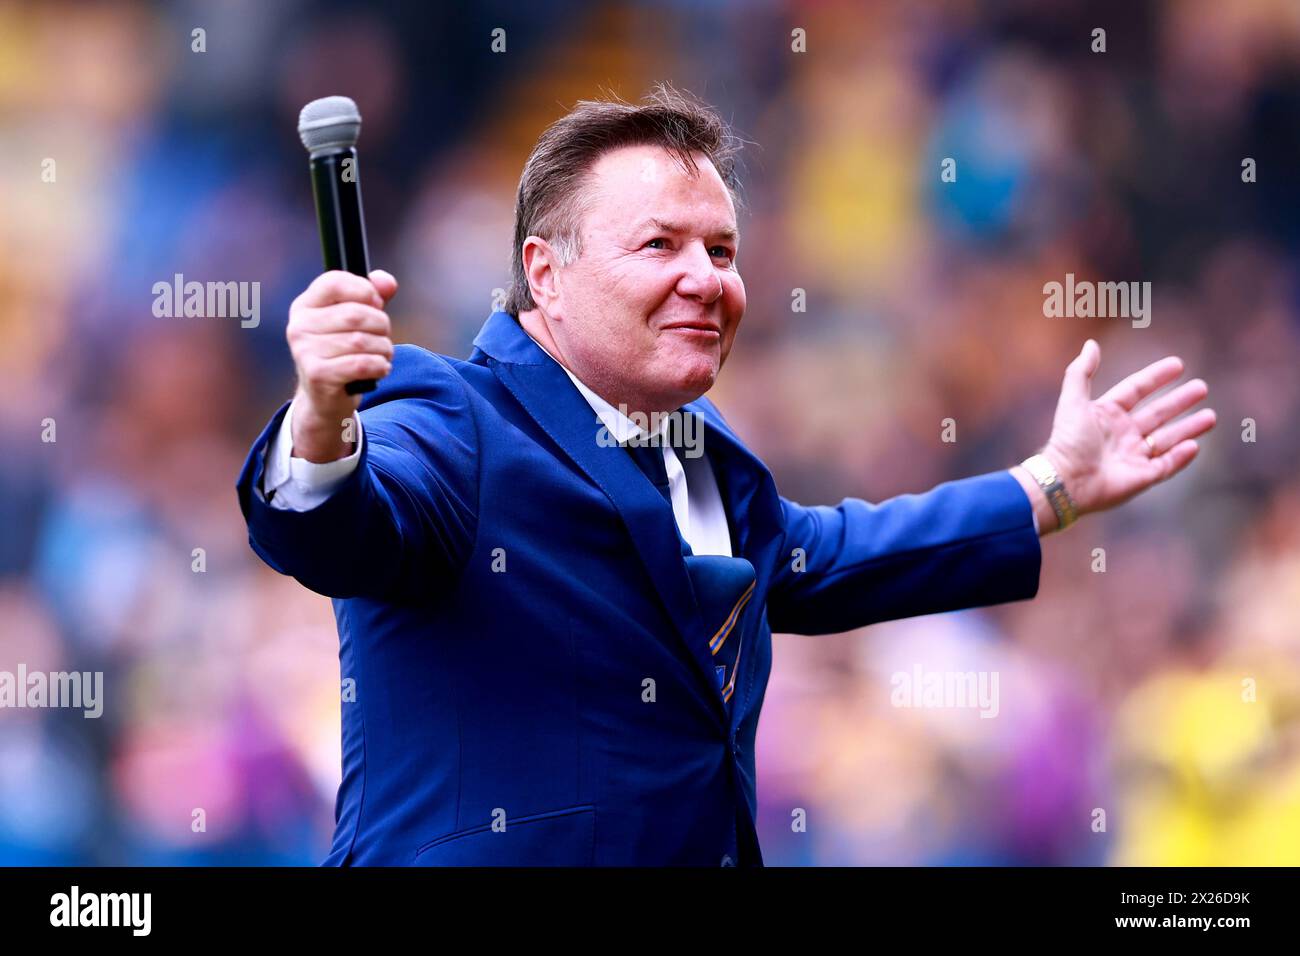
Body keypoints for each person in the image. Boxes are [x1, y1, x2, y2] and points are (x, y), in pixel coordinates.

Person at [236, 84, 1216, 865]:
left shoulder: (702, 448)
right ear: (545, 271)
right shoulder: (455, 417)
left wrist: (1051, 484)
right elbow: (333, 524)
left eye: (721, 249)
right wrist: (323, 409)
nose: (705, 276)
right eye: (659, 244)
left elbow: (821, 558)